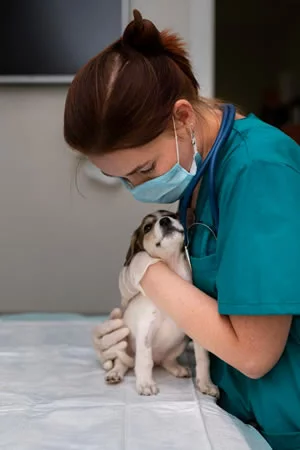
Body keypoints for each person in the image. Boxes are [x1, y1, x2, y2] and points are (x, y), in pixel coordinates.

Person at [63, 10, 300, 450]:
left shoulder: (257, 171)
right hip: (237, 411)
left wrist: (147, 275)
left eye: (144, 169)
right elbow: (214, 309)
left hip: (284, 424)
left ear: (183, 117)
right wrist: (138, 342)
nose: (140, 189)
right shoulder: (201, 176)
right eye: (123, 179)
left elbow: (253, 353)